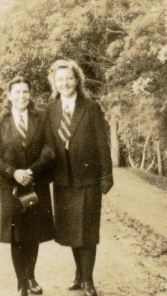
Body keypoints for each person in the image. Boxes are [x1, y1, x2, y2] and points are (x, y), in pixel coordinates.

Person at [44, 60, 113, 296]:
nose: (65, 83)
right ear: (54, 83)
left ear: (77, 80)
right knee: (71, 230)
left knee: (88, 231)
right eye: (60, 79)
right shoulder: (50, 110)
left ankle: (89, 281)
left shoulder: (90, 107)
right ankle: (79, 274)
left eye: (69, 78)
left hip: (88, 179)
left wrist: (107, 175)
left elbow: (103, 143)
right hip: (63, 181)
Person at [0, 76, 56, 296]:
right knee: (17, 236)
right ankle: (21, 284)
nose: (21, 96)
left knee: (33, 234)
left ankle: (31, 277)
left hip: (36, 183)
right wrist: (14, 173)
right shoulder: (0, 122)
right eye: (16, 92)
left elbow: (49, 149)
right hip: (11, 187)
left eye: (25, 92)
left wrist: (31, 171)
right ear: (9, 96)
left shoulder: (42, 117)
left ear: (30, 94)